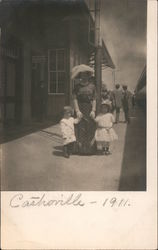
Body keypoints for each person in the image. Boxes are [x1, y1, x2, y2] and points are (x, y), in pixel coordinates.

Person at [72, 67, 97, 155]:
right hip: (80, 108)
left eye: (85, 75)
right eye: (82, 75)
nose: (84, 77)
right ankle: (79, 149)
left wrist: (93, 110)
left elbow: (94, 99)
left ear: (88, 75)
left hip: (89, 108)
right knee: (80, 127)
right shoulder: (77, 87)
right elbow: (74, 99)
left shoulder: (92, 86)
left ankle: (89, 150)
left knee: (89, 127)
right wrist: (77, 110)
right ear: (80, 76)